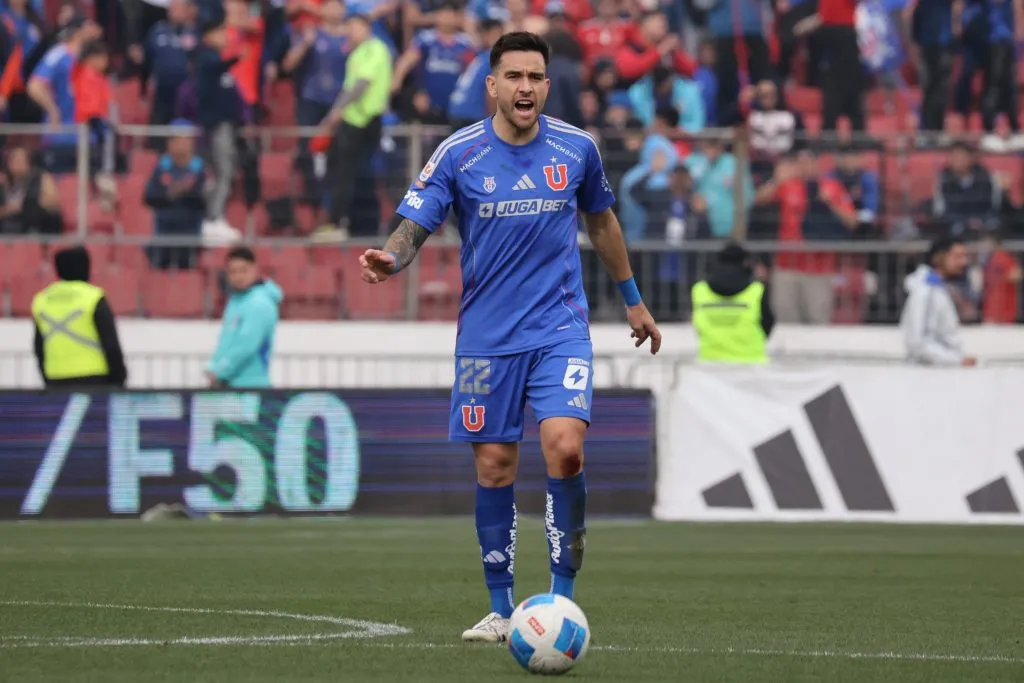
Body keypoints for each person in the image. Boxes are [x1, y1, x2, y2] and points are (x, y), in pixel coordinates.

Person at [357, 31, 662, 643]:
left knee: (565, 448)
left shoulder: (577, 148)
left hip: (559, 329)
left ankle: (561, 603)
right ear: (492, 85)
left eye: (536, 77)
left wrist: (633, 301)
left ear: (547, 85)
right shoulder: (458, 153)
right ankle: (500, 609)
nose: (526, 87)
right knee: (495, 466)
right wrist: (392, 259)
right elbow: (415, 224)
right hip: (486, 339)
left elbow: (602, 221)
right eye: (515, 77)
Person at [313, 11, 393, 242]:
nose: (350, 31)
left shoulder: (375, 49)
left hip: (363, 121)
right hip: (352, 120)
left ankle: (346, 224)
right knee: (344, 172)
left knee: (351, 174)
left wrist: (336, 111)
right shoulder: (357, 52)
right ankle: (346, 223)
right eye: (349, 27)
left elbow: (361, 84)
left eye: (355, 26)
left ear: (367, 27)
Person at [31, 246, 128, 388]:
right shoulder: (94, 297)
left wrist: (47, 377)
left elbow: (39, 346)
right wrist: (119, 377)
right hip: (95, 377)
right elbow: (110, 343)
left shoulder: (41, 300)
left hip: (56, 378)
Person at [206, 246, 284, 388]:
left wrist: (219, 371)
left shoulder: (259, 303)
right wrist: (214, 368)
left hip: (250, 386)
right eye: (233, 272)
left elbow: (247, 345)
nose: (239, 277)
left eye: (243, 270)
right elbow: (226, 342)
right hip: (230, 384)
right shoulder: (235, 301)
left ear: (255, 269)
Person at [691, 242, 774, 364]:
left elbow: (697, 324)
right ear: (745, 262)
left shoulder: (700, 290)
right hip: (751, 361)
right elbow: (768, 322)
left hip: (710, 361)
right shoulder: (757, 290)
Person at [900, 236, 977, 366]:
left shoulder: (937, 288)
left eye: (964, 257)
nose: (963, 262)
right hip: (928, 373)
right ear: (939, 258)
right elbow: (917, 342)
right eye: (957, 257)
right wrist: (957, 361)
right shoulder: (926, 290)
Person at [144, 120, 207, 269]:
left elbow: (204, 202)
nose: (182, 145)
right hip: (163, 231)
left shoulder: (200, 169)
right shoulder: (161, 167)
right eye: (178, 140)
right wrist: (170, 193)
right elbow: (149, 198)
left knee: (188, 273)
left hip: (190, 232)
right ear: (170, 143)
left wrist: (187, 192)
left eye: (186, 140)